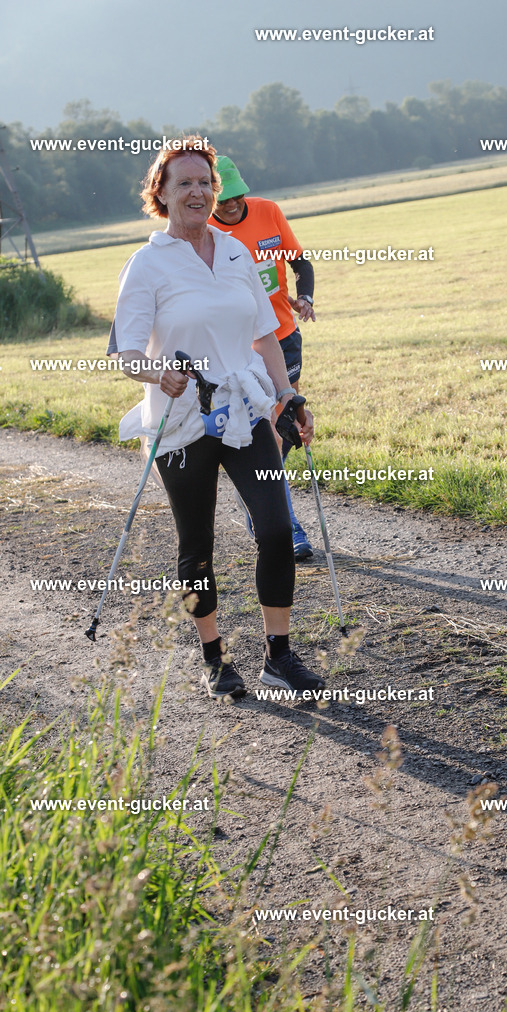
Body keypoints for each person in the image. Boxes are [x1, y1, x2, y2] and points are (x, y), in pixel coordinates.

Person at [106, 136, 325, 701]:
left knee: (277, 530)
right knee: (196, 545)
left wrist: (286, 395)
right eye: (185, 182)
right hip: (181, 421)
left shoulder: (234, 251)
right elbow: (126, 353)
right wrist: (159, 375)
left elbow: (265, 334)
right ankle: (214, 659)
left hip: (245, 409)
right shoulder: (147, 263)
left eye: (205, 181)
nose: (198, 191)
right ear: (162, 192)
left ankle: (278, 657)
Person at [208, 156, 316, 560]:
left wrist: (303, 295)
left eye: (237, 195)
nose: (232, 204)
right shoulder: (206, 232)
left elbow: (299, 261)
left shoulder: (269, 211)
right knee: (270, 432)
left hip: (282, 337)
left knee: (285, 421)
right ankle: (284, 525)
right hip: (241, 347)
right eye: (225, 197)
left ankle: (260, 498)